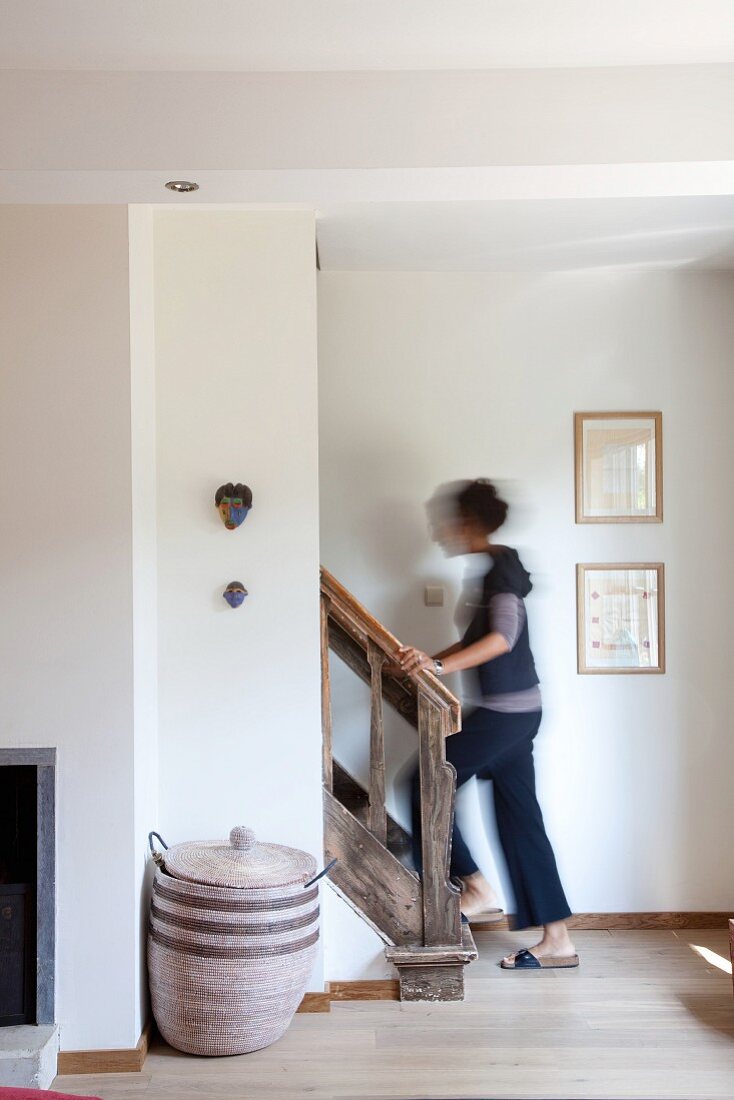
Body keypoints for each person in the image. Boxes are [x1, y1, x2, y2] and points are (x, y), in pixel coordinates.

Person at [399, 479, 577, 970]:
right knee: (520, 818)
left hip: (506, 712)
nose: (439, 532)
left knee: (424, 780)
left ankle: (473, 886)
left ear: (469, 522)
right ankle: (557, 939)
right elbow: (480, 638)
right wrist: (429, 661)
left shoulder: (501, 573)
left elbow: (502, 638)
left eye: (445, 522)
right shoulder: (497, 568)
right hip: (517, 710)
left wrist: (438, 669)